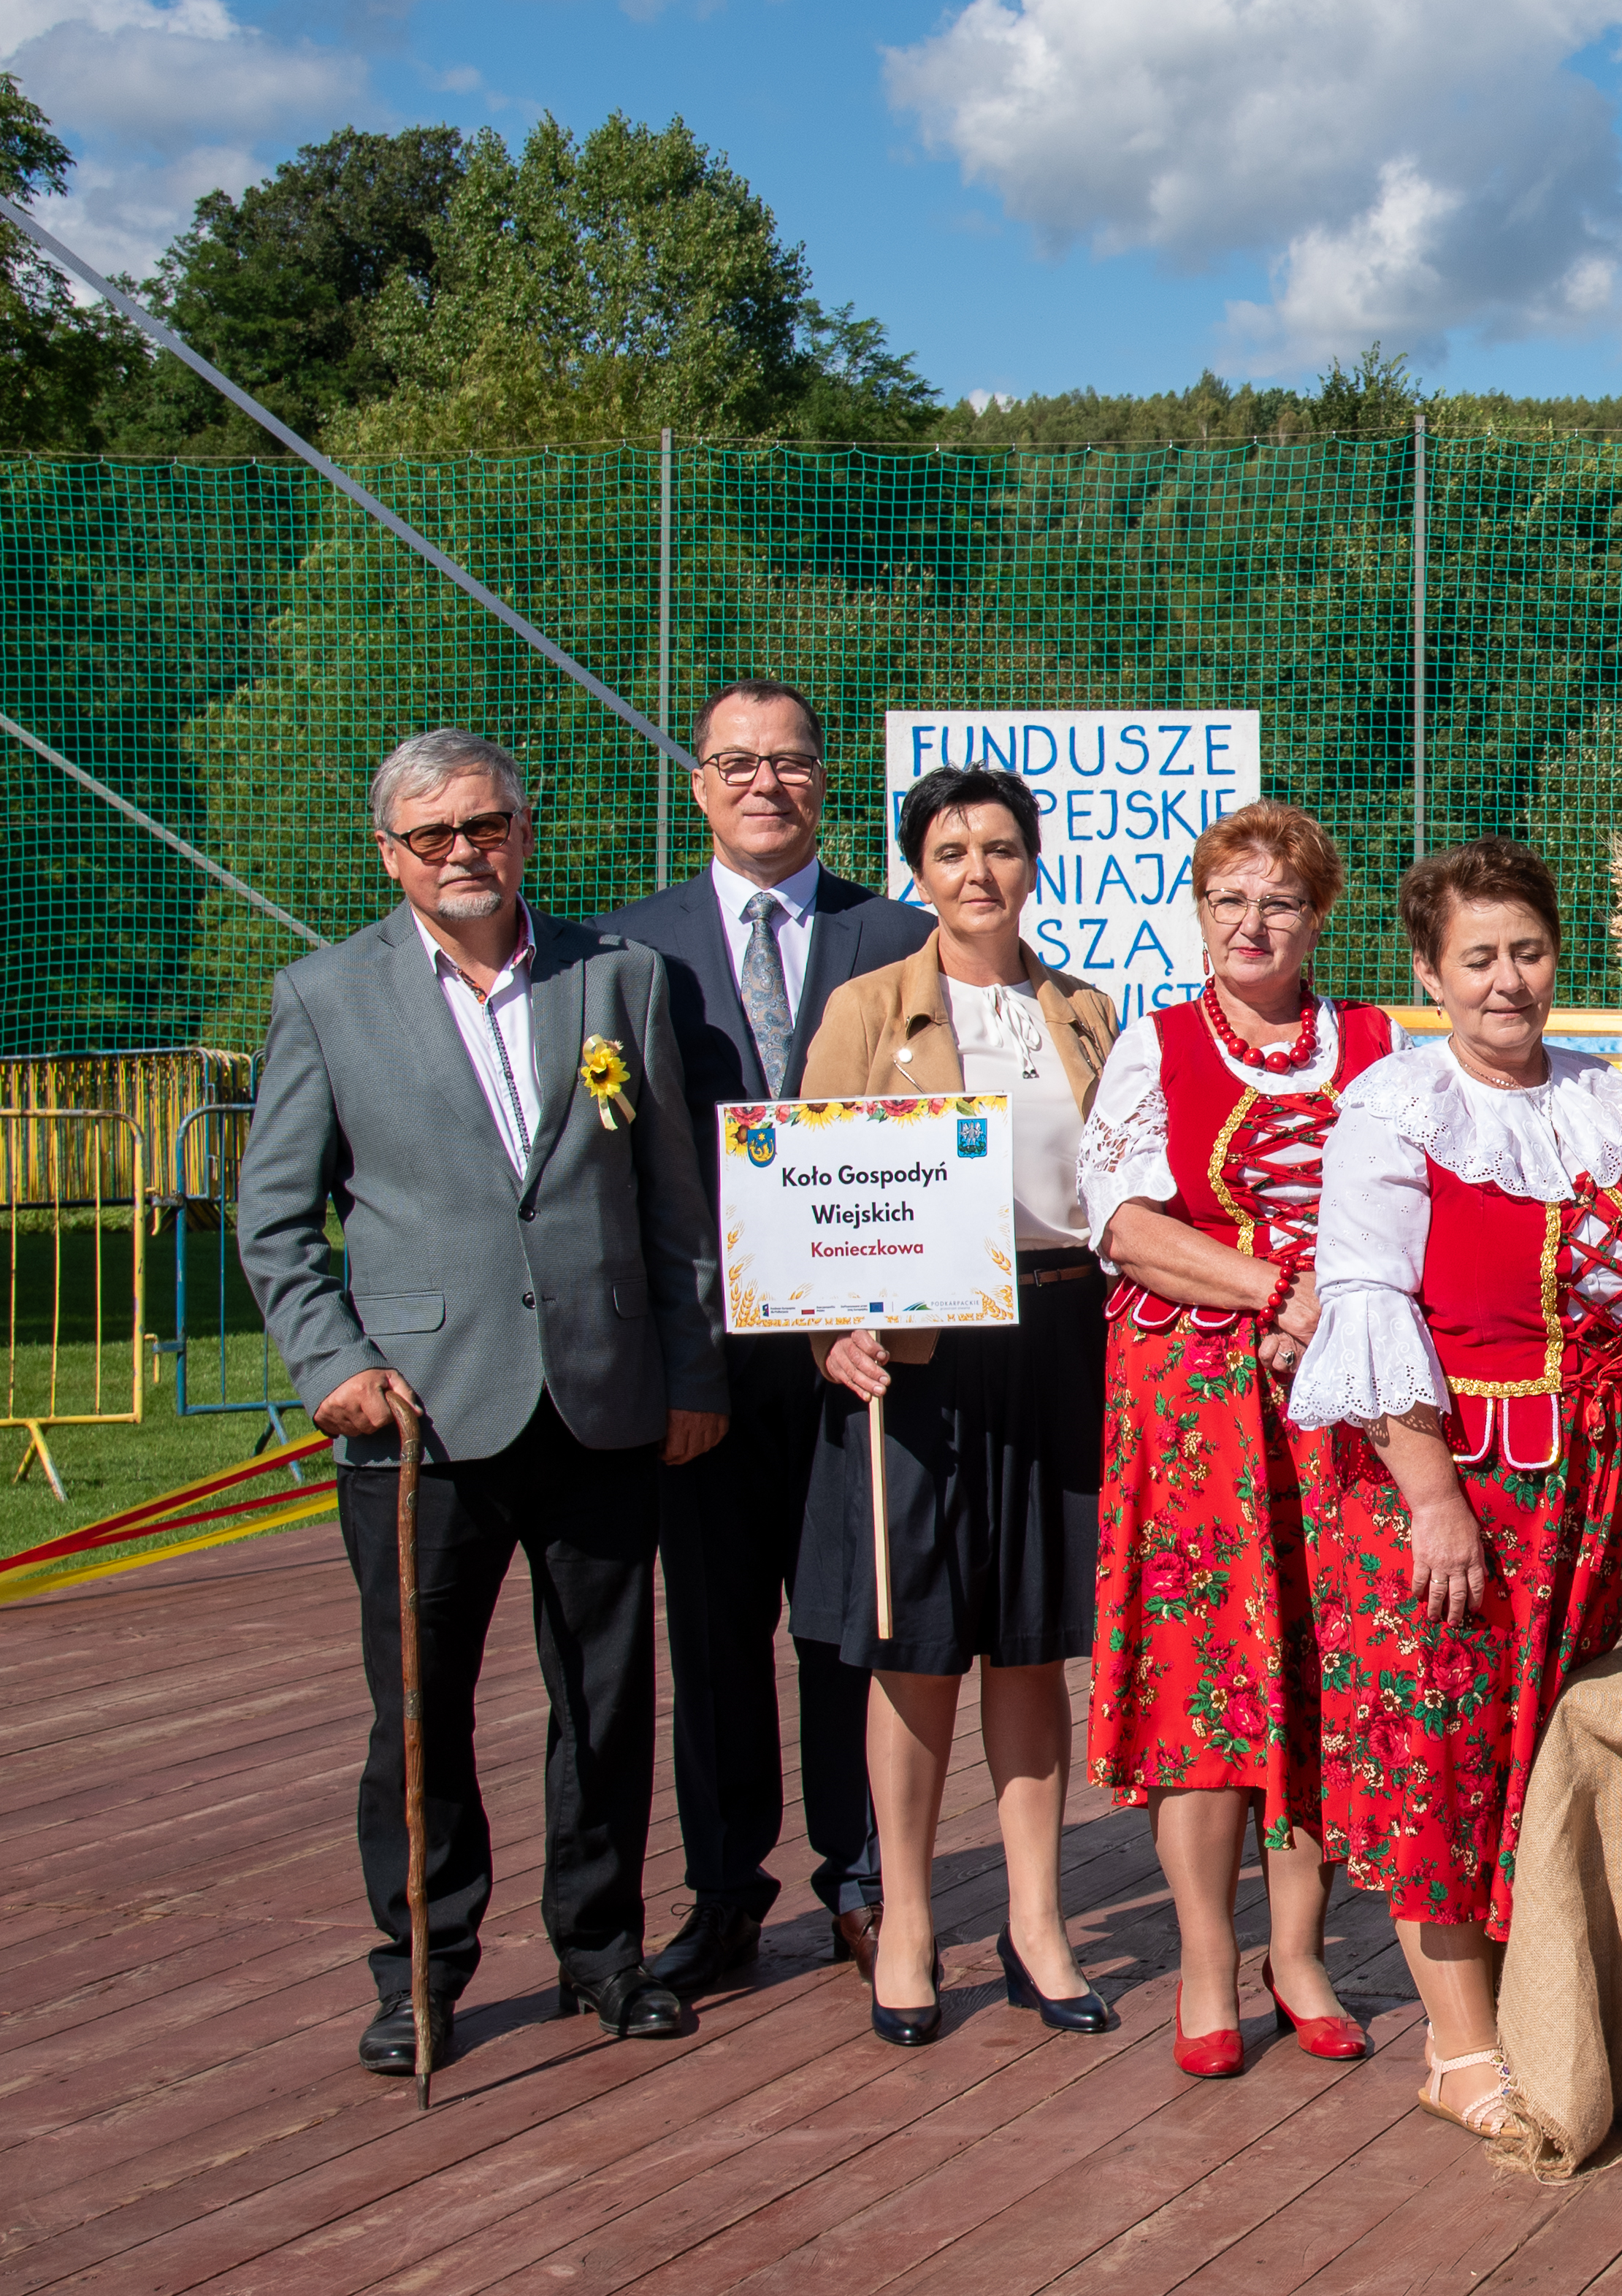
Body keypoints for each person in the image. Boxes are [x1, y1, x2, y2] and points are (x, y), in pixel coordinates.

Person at [240, 728, 728, 2071]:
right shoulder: (325, 996)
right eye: (436, 834)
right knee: (418, 1708)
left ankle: (603, 1950)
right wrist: (330, 1362)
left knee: (609, 1699)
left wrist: (691, 1371)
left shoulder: (619, 979)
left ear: (527, 829)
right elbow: (274, 1220)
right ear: (390, 850)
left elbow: (675, 1202)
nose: (467, 852)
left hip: (607, 1398)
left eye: (490, 825)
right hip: (420, 1420)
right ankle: (422, 1969)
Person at [1285, 835, 1622, 2141]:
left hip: (1586, 1498)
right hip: (1451, 1493)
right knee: (1443, 1752)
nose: (1506, 981)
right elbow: (1365, 1309)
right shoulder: (1396, 1107)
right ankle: (1458, 2048)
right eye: (1476, 958)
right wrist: (1431, 1497)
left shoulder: (1618, 1103)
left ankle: (1543, 2002)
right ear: (1429, 970)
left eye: (1526, 951)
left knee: (1542, 1759)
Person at [599, 678, 932, 1994]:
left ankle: (863, 1884)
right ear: (698, 783)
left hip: (861, 1358)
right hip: (709, 1360)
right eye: (735, 761)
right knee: (717, 1637)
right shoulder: (623, 951)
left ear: (821, 781)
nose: (762, 784)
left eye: (787, 762)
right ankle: (725, 1893)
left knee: (851, 1625)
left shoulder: (902, 933)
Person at [792, 764, 1120, 2048]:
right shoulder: (867, 1007)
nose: (976, 871)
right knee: (914, 1647)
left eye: (998, 847)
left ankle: (1035, 1922)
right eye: (949, 850)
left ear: (1032, 863)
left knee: (1033, 1644)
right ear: (915, 871)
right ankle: (914, 1917)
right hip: (917, 1362)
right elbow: (806, 1197)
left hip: (1057, 1338)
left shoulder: (1086, 1010)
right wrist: (833, 1329)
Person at [1079, 801, 1398, 2079]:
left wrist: (1333, 1310)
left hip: (1334, 1401)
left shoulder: (1375, 1045)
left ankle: (1301, 1951)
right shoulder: (1156, 1045)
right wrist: (1275, 1289)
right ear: (1199, 913)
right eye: (1227, 900)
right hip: (1194, 1403)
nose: (1250, 924)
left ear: (1318, 917)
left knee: (1320, 1673)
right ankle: (1208, 1961)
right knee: (1206, 1680)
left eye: (1277, 902)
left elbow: (1405, 1209)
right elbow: (1122, 1222)